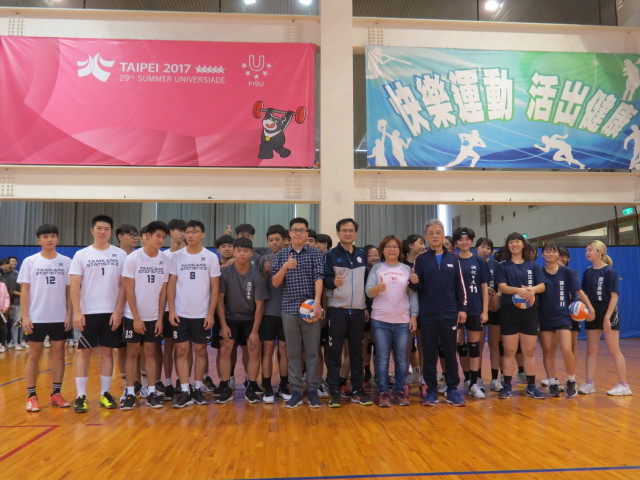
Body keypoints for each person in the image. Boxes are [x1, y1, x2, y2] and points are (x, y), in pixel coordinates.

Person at [70, 215, 127, 413]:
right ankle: (81, 396)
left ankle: (105, 393)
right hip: (88, 313)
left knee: (107, 352)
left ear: (111, 232)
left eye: (106, 229)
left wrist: (118, 311)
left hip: (111, 313)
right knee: (84, 352)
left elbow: (124, 286)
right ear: (92, 230)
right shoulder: (81, 254)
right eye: (99, 228)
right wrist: (77, 312)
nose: (102, 232)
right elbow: (74, 285)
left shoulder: (120, 254)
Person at [410, 219, 467, 407]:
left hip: (450, 313)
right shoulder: (421, 259)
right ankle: (431, 390)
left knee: (450, 352)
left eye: (438, 232)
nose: (435, 236)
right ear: (426, 237)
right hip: (428, 315)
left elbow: (460, 285)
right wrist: (413, 282)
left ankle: (452, 389)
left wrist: (462, 308)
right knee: (429, 353)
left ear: (443, 235)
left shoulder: (453, 258)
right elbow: (417, 286)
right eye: (431, 233)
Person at [271, 217, 324, 408]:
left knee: (312, 352)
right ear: (290, 233)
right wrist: (285, 267)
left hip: (310, 309)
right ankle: (295, 392)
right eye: (295, 230)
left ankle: (313, 390)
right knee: (292, 353)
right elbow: (275, 283)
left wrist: (317, 302)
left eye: (302, 230)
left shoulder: (315, 253)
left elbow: (319, 277)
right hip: (289, 309)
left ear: (307, 234)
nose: (298, 233)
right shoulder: (281, 255)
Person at [19, 224, 73, 412]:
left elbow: (69, 291)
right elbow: (25, 291)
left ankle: (56, 394)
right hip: (36, 317)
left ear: (57, 239)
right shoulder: (30, 261)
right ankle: (31, 396)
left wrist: (69, 313)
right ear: (39, 240)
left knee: (59, 354)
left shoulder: (66, 261)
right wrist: (25, 316)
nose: (49, 239)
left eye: (52, 236)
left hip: (59, 317)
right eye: (45, 236)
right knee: (34, 355)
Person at [168, 220, 221, 408]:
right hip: (181, 313)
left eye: (194, 231)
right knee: (182, 350)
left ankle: (198, 388)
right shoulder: (176, 257)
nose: (189, 235)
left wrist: (210, 313)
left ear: (202, 235)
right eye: (187, 232)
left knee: (200, 351)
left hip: (202, 314)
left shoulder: (210, 257)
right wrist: (172, 310)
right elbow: (171, 285)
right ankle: (185, 390)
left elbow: (215, 288)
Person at [120, 221, 170, 410]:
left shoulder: (165, 260)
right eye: (158, 236)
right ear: (147, 236)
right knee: (132, 352)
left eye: (163, 237)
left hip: (153, 317)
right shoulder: (133, 259)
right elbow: (129, 290)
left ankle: (151, 392)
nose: (161, 240)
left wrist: (160, 319)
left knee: (150, 352)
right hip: (132, 316)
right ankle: (129, 392)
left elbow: (163, 293)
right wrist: (136, 318)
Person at [323, 218, 371, 407]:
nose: (348, 233)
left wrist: (365, 306)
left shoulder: (362, 254)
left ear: (355, 233)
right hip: (337, 310)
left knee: (357, 354)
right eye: (344, 230)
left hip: (358, 311)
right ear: (338, 233)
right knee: (334, 353)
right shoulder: (330, 255)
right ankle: (334, 391)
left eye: (351, 230)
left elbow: (366, 283)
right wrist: (332, 282)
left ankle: (357, 391)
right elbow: (324, 279)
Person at [366, 235, 417, 407]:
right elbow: (368, 292)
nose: (392, 249)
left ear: (400, 250)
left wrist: (414, 316)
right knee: (382, 358)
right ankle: (383, 392)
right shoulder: (377, 269)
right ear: (383, 250)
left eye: (395, 246)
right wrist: (377, 288)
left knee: (402, 359)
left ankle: (400, 391)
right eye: (388, 246)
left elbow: (413, 294)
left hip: (402, 321)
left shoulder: (406, 269)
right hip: (380, 320)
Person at [216, 237, 268, 404]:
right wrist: (223, 325)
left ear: (251, 253)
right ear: (234, 252)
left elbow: (260, 306)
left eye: (245, 251)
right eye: (239, 250)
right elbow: (219, 300)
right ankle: (225, 385)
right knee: (225, 349)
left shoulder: (257, 276)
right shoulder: (225, 273)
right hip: (230, 318)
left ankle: (251, 386)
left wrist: (254, 331)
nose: (242, 254)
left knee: (253, 350)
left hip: (250, 319)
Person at [495, 232, 546, 400]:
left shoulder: (533, 265)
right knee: (509, 350)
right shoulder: (503, 266)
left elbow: (542, 286)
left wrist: (532, 289)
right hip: (509, 312)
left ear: (523, 245)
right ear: (507, 246)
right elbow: (502, 287)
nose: (514, 244)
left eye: (517, 241)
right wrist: (518, 290)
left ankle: (531, 386)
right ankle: (507, 385)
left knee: (529, 351)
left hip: (529, 313)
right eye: (511, 242)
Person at [538, 243, 594, 398]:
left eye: (553, 251)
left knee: (566, 349)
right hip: (544, 317)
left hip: (563, 316)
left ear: (558, 255)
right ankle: (552, 382)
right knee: (548, 351)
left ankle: (571, 380)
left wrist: (590, 308)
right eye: (547, 251)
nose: (550, 254)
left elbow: (579, 291)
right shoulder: (539, 272)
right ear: (542, 255)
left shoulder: (566, 272)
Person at [579, 241, 632, 396]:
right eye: (586, 250)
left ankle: (624, 385)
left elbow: (614, 296)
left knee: (614, 350)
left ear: (600, 252)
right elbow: (584, 294)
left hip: (608, 311)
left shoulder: (610, 271)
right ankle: (589, 383)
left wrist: (607, 318)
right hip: (592, 312)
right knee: (591, 350)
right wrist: (586, 309)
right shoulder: (587, 272)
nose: (587, 253)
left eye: (590, 250)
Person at [453, 227, 489, 399]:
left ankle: (475, 382)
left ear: (472, 241)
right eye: (461, 239)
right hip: (457, 310)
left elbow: (484, 287)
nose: (464, 242)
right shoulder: (452, 259)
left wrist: (485, 310)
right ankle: (467, 378)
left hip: (475, 308)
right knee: (461, 346)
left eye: (467, 239)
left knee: (474, 346)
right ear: (456, 242)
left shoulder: (479, 260)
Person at [258, 225, 291, 403]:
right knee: (268, 349)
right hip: (268, 312)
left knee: (284, 350)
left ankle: (284, 385)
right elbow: (259, 286)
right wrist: (264, 272)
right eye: (271, 240)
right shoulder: (264, 259)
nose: (274, 243)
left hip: (287, 311)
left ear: (285, 240)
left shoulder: (292, 258)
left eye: (277, 239)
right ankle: (267, 387)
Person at [158, 218, 187, 399]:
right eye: (179, 230)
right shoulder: (163, 256)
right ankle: (168, 382)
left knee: (184, 347)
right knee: (168, 345)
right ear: (171, 233)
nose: (182, 234)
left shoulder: (188, 255)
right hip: (167, 309)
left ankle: (183, 382)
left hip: (184, 308)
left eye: (184, 231)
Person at [475, 237, 503, 392]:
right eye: (482, 247)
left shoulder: (496, 265)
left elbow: (501, 286)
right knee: (478, 345)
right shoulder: (472, 263)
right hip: (478, 309)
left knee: (494, 344)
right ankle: (478, 378)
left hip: (494, 310)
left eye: (488, 248)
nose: (485, 250)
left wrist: (497, 296)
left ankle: (494, 379)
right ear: (476, 248)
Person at [1, 258, 23, 350]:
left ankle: (16, 342)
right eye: (3, 264)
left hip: (15, 303)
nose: (5, 265)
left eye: (7, 264)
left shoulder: (15, 274)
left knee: (17, 323)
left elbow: (11, 291)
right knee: (4, 325)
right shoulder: (1, 275)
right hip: (4, 305)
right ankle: (4, 342)